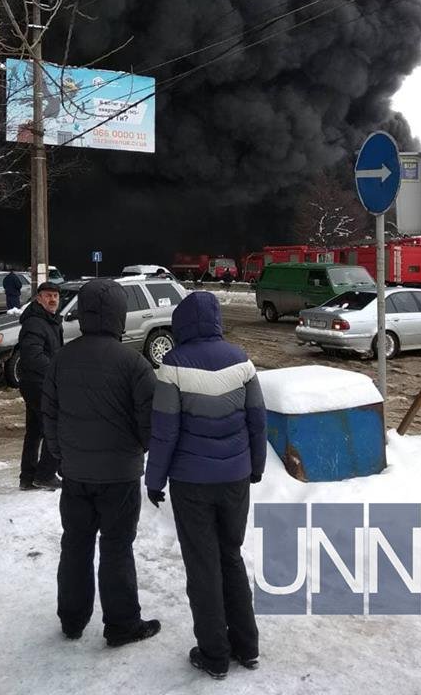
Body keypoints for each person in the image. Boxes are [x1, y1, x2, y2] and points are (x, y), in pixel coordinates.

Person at [145, 290, 267, 680]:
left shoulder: (172, 366)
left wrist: (154, 479)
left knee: (203, 566)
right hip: (235, 479)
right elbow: (258, 421)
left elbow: (164, 432)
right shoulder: (242, 361)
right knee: (230, 556)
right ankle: (247, 646)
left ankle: (214, 654)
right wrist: (256, 466)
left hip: (191, 483)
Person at [42, 278, 160, 647]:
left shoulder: (62, 359)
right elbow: (149, 425)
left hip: (76, 473)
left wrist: (62, 456)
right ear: (119, 315)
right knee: (116, 546)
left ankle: (72, 619)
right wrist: (135, 452)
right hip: (120, 477)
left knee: (75, 543)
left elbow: (50, 415)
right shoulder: (135, 365)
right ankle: (122, 624)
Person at [18, 282, 63, 491]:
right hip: (37, 383)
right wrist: (55, 372)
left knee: (35, 430)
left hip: (36, 382)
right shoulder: (35, 323)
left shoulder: (50, 320)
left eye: (55, 296)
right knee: (55, 427)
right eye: (48, 296)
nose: (52, 299)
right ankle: (45, 475)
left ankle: (27, 477)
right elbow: (32, 356)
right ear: (38, 298)